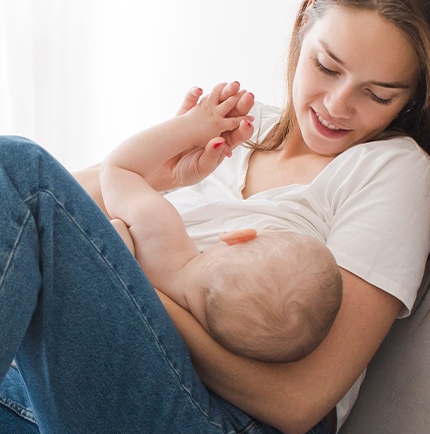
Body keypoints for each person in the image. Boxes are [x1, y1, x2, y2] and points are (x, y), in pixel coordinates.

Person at [1, 0, 430, 434]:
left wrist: (130, 283)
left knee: (18, 162)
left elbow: (299, 402)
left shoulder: (394, 170)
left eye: (378, 94)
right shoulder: (237, 121)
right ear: (304, 23)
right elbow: (38, 213)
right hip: (91, 391)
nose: (338, 106)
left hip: (228, 429)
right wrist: (159, 176)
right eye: (327, 67)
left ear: (411, 97)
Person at [100, 82, 343, 363]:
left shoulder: (160, 231)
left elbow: (118, 168)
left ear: (237, 236)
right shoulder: (189, 341)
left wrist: (189, 127)